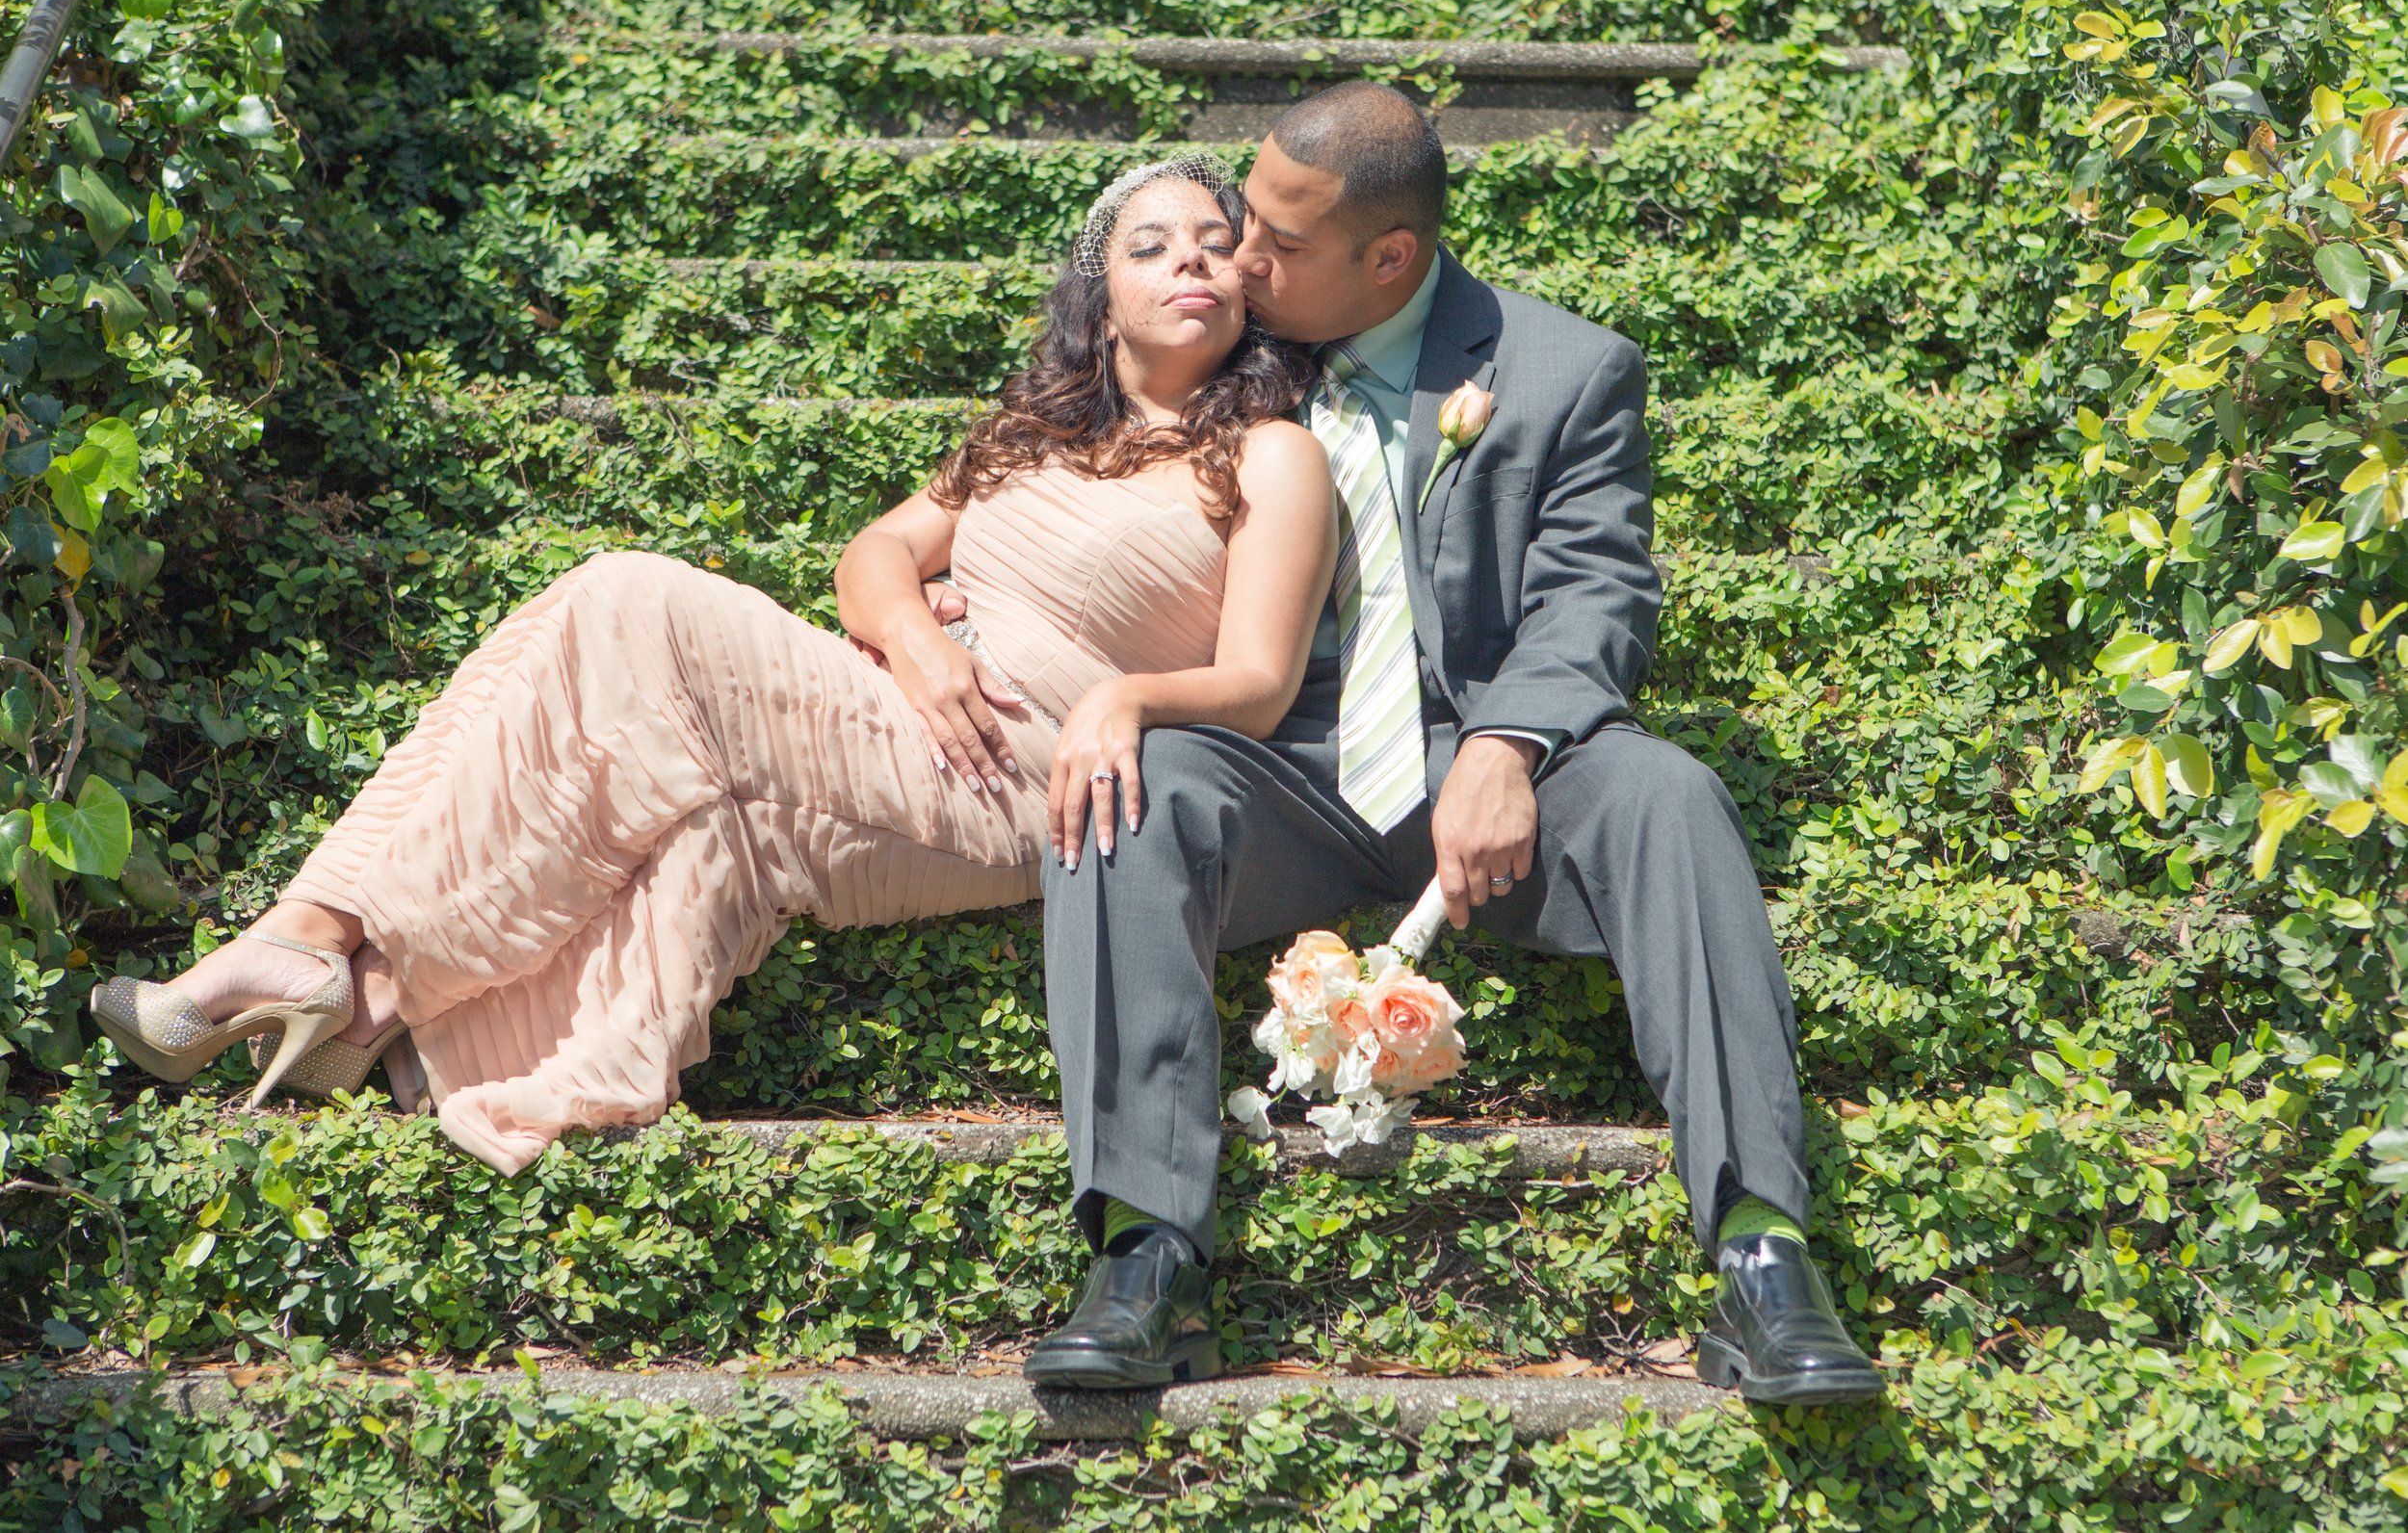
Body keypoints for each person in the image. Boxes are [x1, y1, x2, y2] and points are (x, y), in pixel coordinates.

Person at [91, 158, 1337, 1178]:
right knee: (700, 809)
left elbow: (1262, 684)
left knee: (626, 600)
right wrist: (913, 639)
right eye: (1151, 245)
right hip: (911, 713)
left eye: (1215, 245)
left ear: (1249, 291)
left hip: (1027, 772)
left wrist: (1122, 696)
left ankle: (312, 937)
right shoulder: (1032, 436)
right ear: (1101, 301)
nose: (1191, 261)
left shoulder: (1270, 455)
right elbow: (876, 554)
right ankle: (369, 1013)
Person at [1024, 84, 1882, 1405]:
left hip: (1479, 762)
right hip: (1279, 770)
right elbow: (1059, 476)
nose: (1237, 258)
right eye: (1241, 220)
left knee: (1667, 793)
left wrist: (1511, 741)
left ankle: (1765, 1255)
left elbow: (1598, 592)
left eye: (1277, 243)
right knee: (1130, 797)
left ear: (1390, 260)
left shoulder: (1564, 371)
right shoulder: (1225, 344)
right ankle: (1144, 1256)